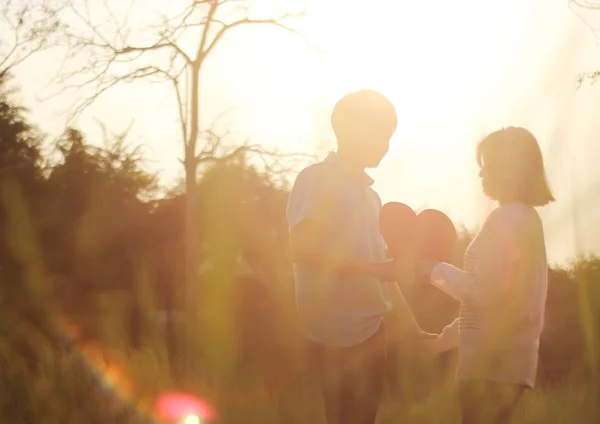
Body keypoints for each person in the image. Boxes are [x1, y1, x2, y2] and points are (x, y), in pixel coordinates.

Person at [286, 89, 428, 424]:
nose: (386, 145)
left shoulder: (371, 198)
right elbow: (302, 250)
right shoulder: (315, 179)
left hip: (370, 335)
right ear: (348, 129)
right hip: (328, 336)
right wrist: (374, 269)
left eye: (389, 137)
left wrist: (415, 330)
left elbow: (384, 275)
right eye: (380, 134)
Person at [419, 127, 554, 424]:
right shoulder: (527, 219)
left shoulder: (505, 219)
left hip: (491, 367)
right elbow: (494, 305)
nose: (481, 175)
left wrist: (432, 269)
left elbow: (487, 294)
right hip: (511, 365)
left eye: (487, 166)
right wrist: (443, 341)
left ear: (509, 168)